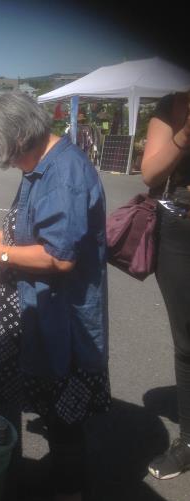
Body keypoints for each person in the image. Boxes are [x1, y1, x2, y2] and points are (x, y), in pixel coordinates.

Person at [0, 92, 110, 501]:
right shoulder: (45, 163)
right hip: (40, 306)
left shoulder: (62, 173)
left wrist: (3, 255)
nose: (10, 165)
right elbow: (37, 232)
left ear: (22, 138)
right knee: (50, 404)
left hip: (60, 315)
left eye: (9, 156)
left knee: (64, 418)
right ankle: (54, 487)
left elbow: (60, 256)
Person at [141, 91, 190, 480]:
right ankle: (189, 441)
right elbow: (151, 174)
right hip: (181, 230)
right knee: (187, 341)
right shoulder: (173, 104)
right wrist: (185, 133)